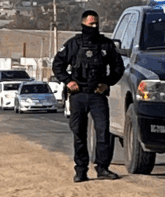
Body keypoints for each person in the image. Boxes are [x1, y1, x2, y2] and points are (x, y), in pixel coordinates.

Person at [52, 10, 125, 182]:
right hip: (78, 95)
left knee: (103, 132)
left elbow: (118, 67)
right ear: (83, 24)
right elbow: (58, 65)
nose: (94, 27)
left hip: (97, 95)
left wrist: (107, 83)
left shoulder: (106, 45)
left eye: (96, 24)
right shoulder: (73, 44)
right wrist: (68, 82)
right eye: (91, 24)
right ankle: (81, 170)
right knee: (79, 133)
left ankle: (102, 168)